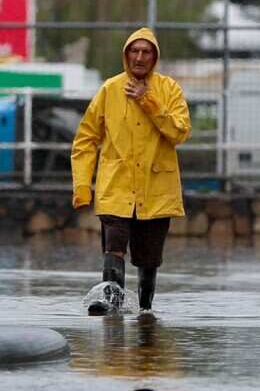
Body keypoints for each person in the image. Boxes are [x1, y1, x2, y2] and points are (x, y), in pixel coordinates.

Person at [71, 27, 191, 313]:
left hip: (156, 191)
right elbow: (86, 139)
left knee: (148, 260)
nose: (139, 57)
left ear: (154, 56)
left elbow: (179, 132)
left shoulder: (169, 90)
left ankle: (145, 311)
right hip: (116, 188)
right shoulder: (109, 90)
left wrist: (147, 100)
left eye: (145, 51)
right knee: (113, 247)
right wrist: (82, 185)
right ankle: (111, 305)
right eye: (134, 51)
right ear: (126, 55)